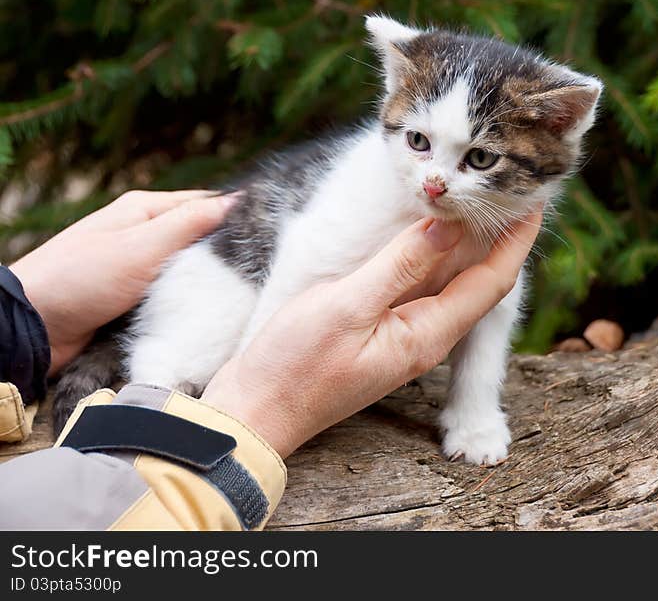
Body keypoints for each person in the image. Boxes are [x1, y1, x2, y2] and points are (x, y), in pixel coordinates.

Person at [0, 190, 540, 530]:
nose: (436, 182)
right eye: (418, 142)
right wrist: (256, 395)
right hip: (233, 314)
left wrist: (26, 310)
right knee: (194, 343)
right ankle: (161, 381)